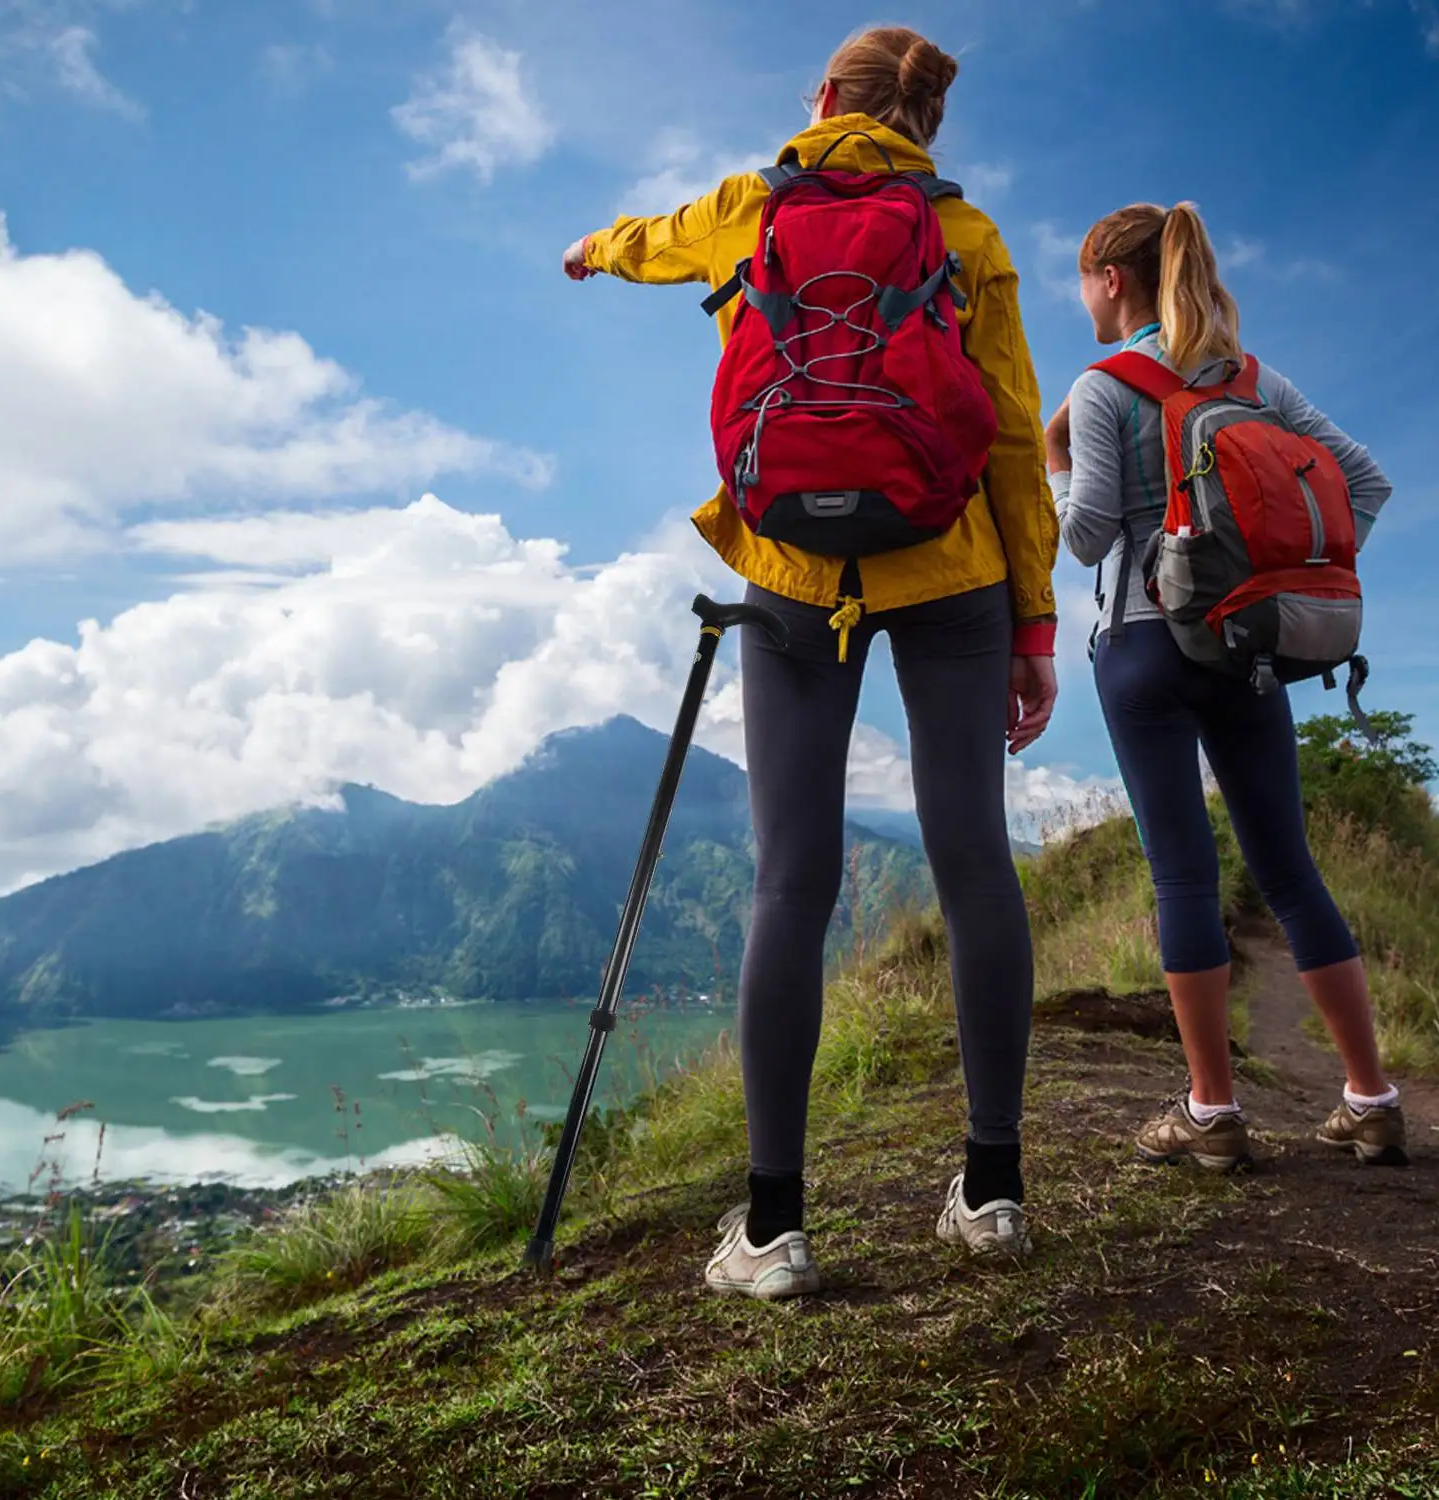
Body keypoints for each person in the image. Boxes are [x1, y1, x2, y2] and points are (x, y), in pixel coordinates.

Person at [563, 25, 1060, 1299]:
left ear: (826, 100)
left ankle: (775, 1229)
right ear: (922, 125)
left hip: (787, 572)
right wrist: (1036, 622)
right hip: (953, 574)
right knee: (973, 868)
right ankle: (993, 1195)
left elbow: (653, 241)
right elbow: (1009, 434)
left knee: (792, 885)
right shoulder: (971, 237)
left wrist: (595, 248)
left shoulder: (753, 207)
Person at [1047, 201, 1406, 1173]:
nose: (1079, 296)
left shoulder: (1102, 386)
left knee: (1183, 874)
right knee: (1289, 870)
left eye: (1082, 279)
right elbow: (1364, 482)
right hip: (1248, 644)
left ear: (1111, 280)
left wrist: (1054, 482)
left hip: (1145, 647)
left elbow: (1085, 537)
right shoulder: (1253, 380)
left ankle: (1212, 1111)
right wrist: (1281, 570)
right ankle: (1371, 1100)